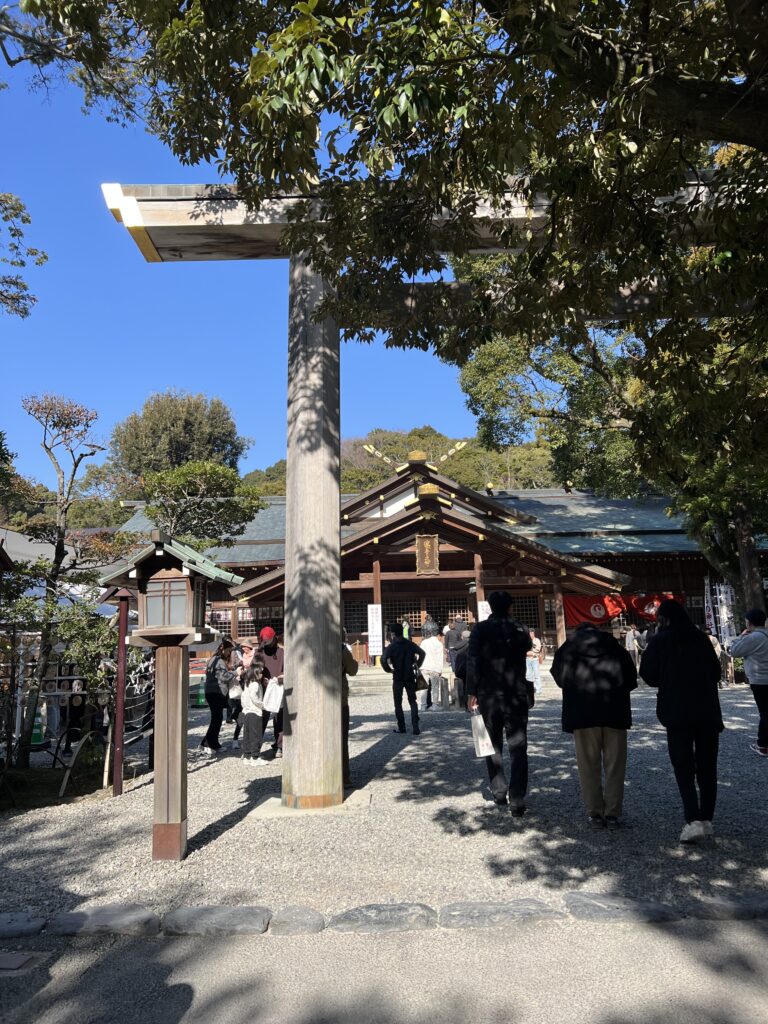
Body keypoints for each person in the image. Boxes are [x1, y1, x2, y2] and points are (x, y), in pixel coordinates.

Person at [640, 599, 723, 843]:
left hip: (676, 709)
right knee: (708, 765)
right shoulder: (701, 638)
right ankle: (707, 818)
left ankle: (693, 818)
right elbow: (716, 672)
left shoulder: (661, 640)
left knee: (683, 765)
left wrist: (667, 678)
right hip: (707, 708)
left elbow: (648, 674)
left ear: (663, 619)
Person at [551, 622, 637, 829]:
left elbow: (559, 677)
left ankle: (595, 813)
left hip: (582, 714)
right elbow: (631, 679)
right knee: (615, 766)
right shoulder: (615, 647)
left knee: (587, 766)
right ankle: (613, 813)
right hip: (614, 712)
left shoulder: (569, 648)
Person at [466, 591, 533, 816]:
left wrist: (471, 691)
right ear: (510, 606)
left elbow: (473, 659)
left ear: (490, 607)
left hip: (488, 693)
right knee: (518, 744)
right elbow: (527, 646)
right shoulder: (520, 629)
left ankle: (498, 789)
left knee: (491, 743)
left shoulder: (480, 629)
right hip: (515, 692)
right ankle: (517, 796)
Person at [727, 608, 768, 757]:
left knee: (765, 712)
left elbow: (734, 651)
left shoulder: (753, 637)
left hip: (760, 679)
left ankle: (763, 745)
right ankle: (763, 744)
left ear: (749, 623)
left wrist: (741, 636)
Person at [381, 623, 425, 735]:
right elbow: (422, 653)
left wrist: (389, 670)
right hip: (409, 675)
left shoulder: (391, 647)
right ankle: (415, 727)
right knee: (412, 701)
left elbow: (383, 659)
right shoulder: (410, 644)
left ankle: (402, 727)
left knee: (398, 703)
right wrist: (417, 665)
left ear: (393, 634)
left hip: (398, 676)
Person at [202, 639, 238, 754]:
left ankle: (206, 742)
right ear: (224, 649)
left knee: (216, 719)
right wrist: (236, 673)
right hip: (216, 692)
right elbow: (223, 676)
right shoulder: (219, 661)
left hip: (210, 691)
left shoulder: (213, 659)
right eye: (229, 651)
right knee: (216, 719)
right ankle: (213, 744)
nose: (229, 653)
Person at [259, 626, 285, 757]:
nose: (269, 645)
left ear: (275, 638)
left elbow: (287, 670)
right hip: (262, 690)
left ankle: (279, 746)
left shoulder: (282, 653)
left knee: (279, 718)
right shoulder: (260, 652)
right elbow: (254, 669)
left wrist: (282, 676)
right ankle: (255, 747)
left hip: (278, 689)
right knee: (260, 718)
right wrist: (261, 678)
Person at [240, 651, 268, 763]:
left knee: (247, 735)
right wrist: (262, 705)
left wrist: (245, 707)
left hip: (247, 711)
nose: (262, 674)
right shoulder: (256, 684)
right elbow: (254, 697)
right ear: (256, 673)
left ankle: (247, 756)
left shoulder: (248, 683)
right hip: (255, 712)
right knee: (256, 735)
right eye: (260, 673)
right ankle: (255, 757)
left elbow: (243, 696)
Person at [342, 639, 359, 785]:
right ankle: (344, 776)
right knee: (342, 738)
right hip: (338, 699)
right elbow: (352, 670)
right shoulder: (342, 650)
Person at [420, 621, 447, 710]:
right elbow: (440, 658)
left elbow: (420, 655)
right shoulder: (439, 644)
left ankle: (423, 706)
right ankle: (435, 705)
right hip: (434, 668)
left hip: (424, 666)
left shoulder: (424, 642)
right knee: (435, 687)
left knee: (424, 688)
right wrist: (440, 669)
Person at [453, 629, 471, 709]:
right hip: (471, 668)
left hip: (463, 668)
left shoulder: (460, 645)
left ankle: (466, 704)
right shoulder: (474, 644)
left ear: (462, 636)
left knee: (465, 687)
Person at [526, 628, 543, 696]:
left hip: (535, 659)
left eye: (532, 633)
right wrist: (528, 652)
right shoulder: (526, 641)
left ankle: (538, 689)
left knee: (536, 674)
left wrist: (531, 651)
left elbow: (538, 649)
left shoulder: (537, 640)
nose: (531, 635)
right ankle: (530, 689)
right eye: (530, 633)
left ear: (534, 633)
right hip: (527, 659)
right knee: (528, 675)